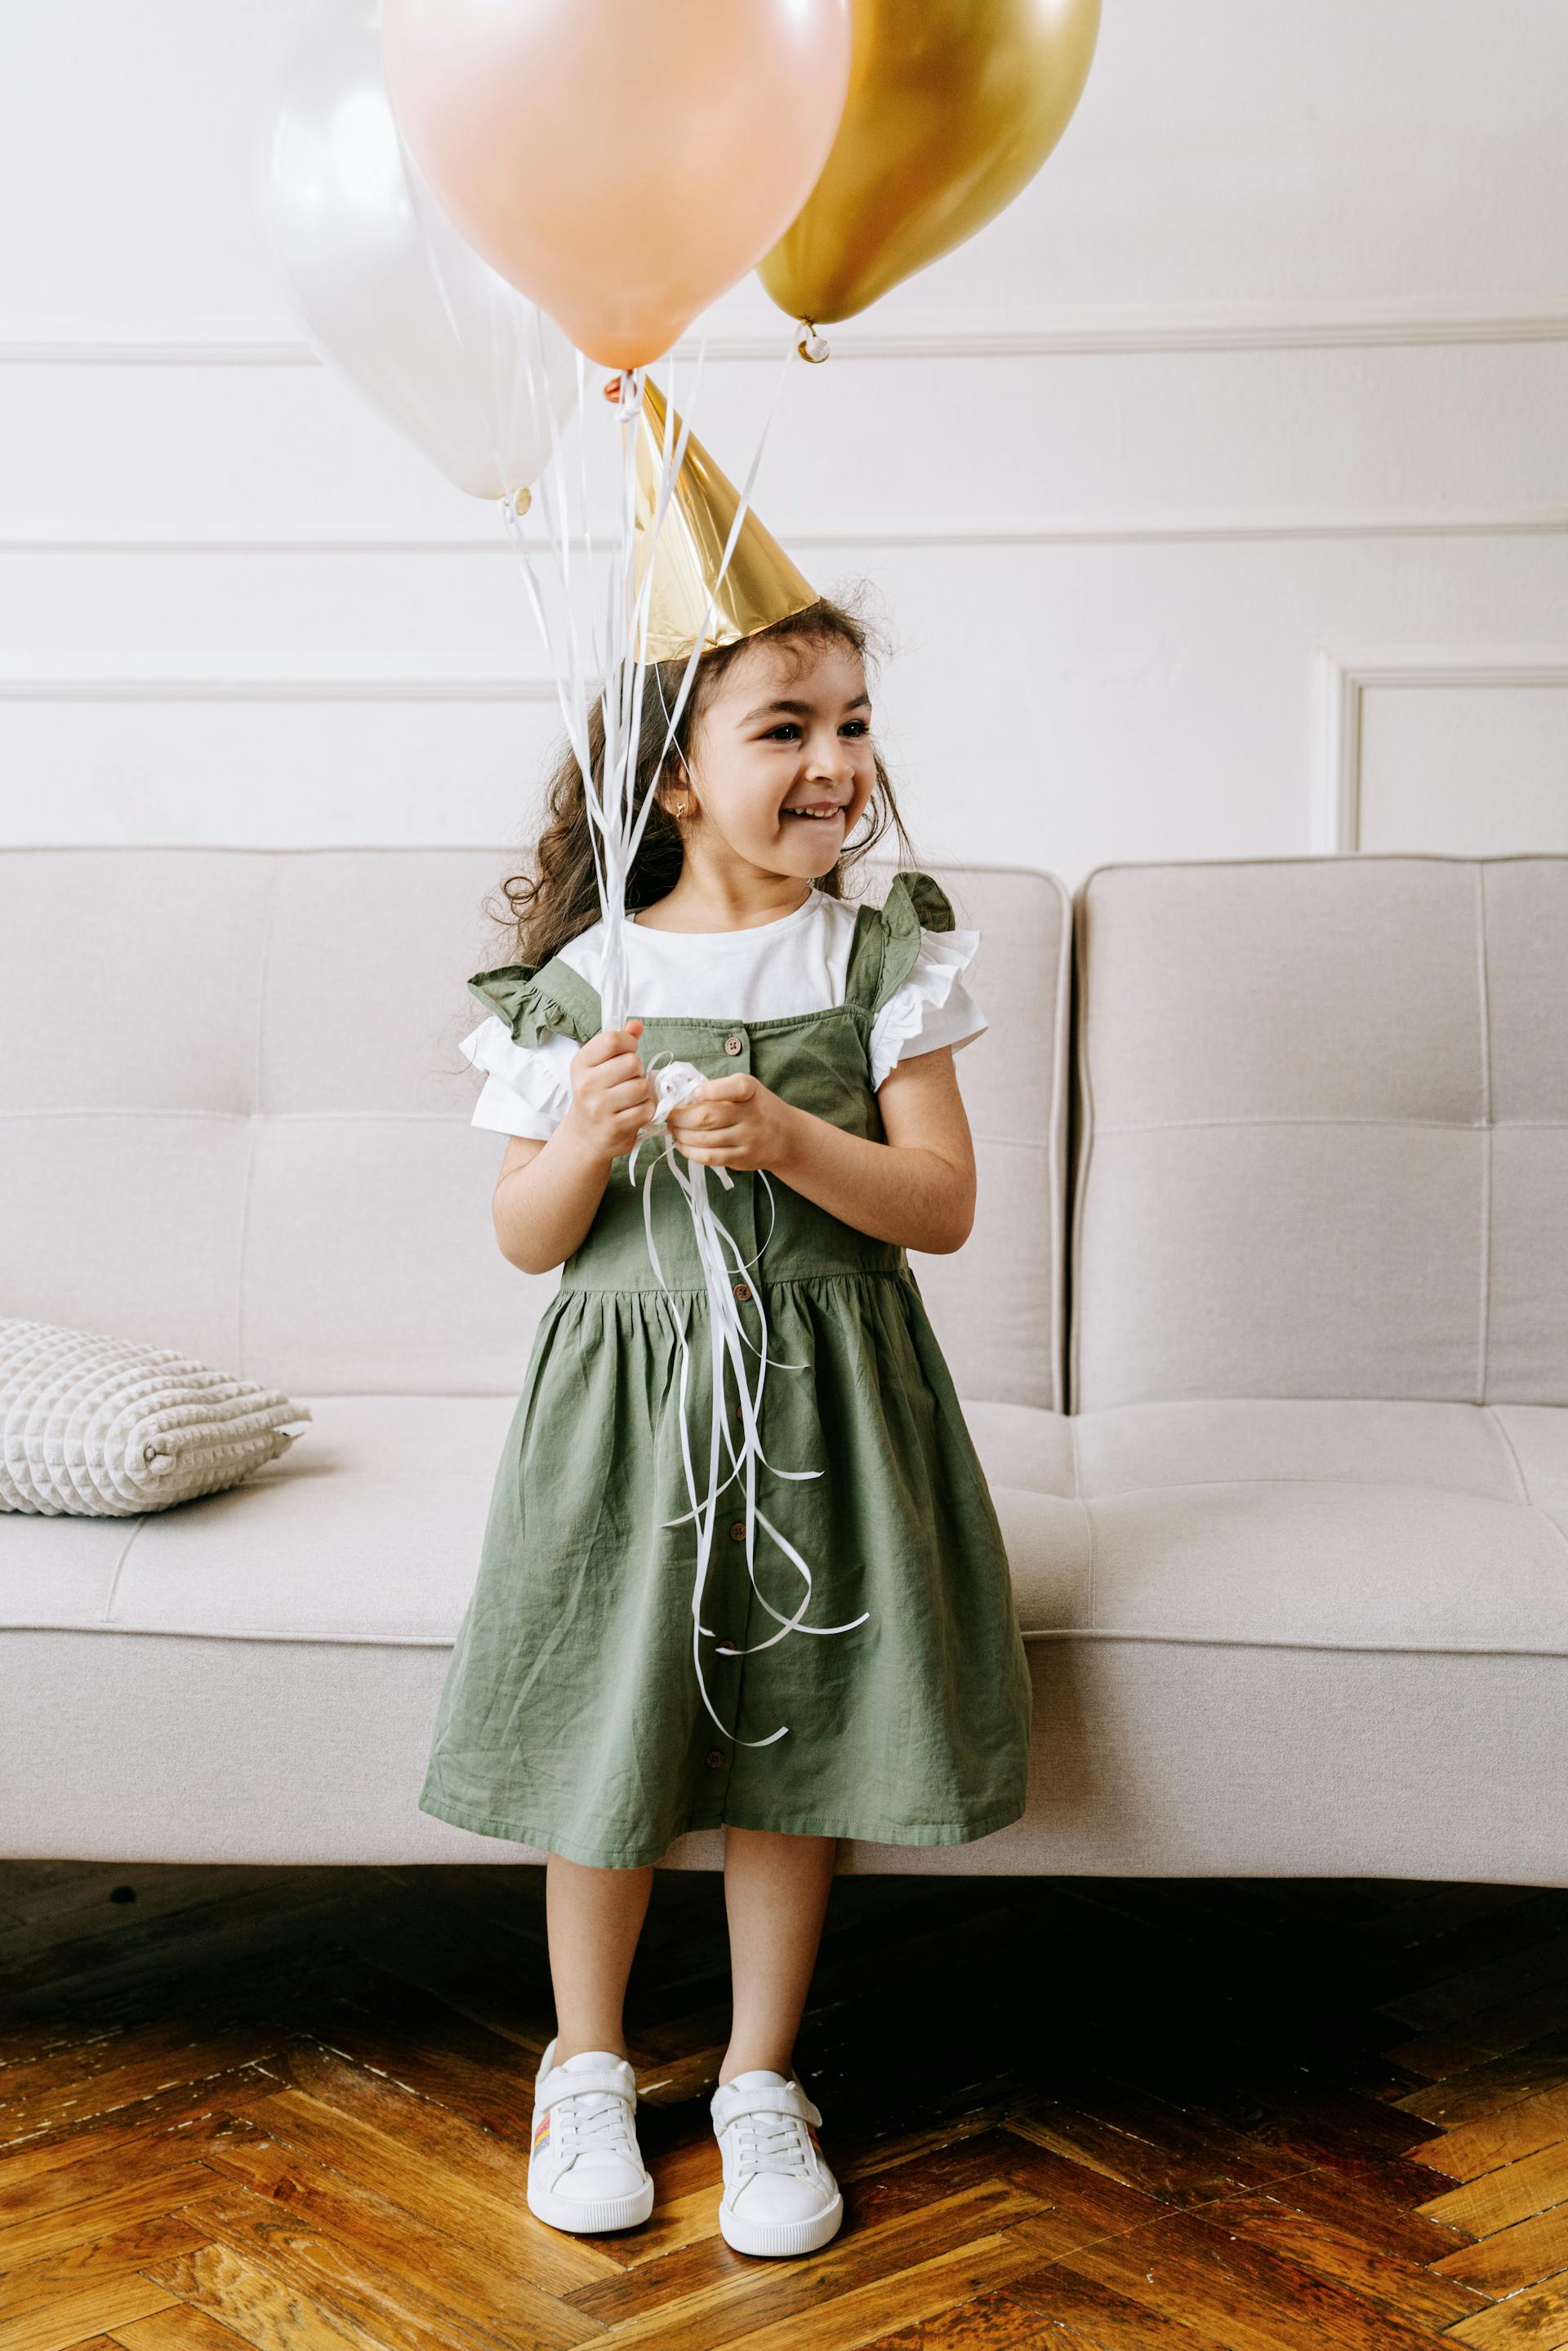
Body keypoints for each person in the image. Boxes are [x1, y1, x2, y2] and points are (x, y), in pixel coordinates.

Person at [421, 540, 1031, 2258]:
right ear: (675, 765)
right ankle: (588, 2062)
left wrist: (790, 1138)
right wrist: (590, 1138)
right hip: (626, 1420)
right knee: (605, 1735)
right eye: (786, 727)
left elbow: (945, 1207)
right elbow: (530, 1241)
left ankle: (764, 2082)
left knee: (795, 1736)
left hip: (831, 1405)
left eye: (851, 722)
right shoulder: (583, 983)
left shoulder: (879, 963)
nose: (834, 763)